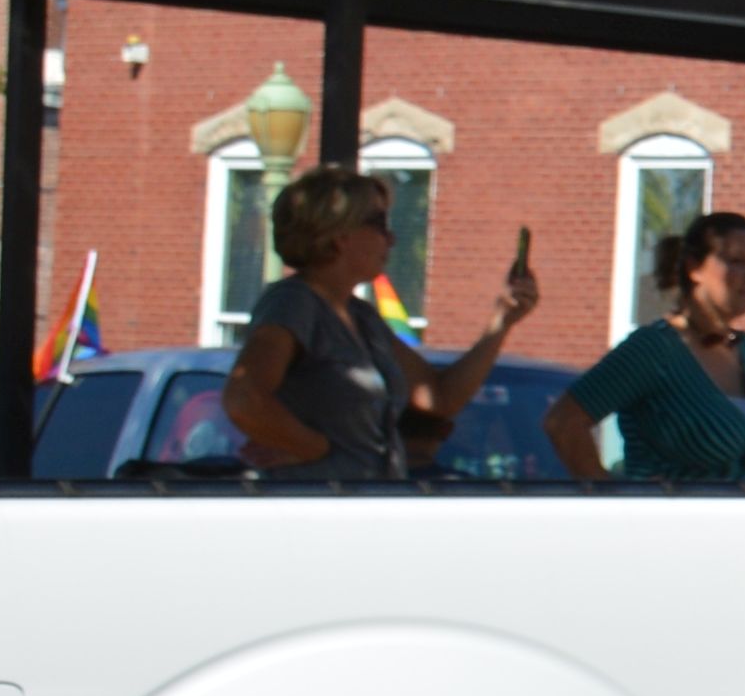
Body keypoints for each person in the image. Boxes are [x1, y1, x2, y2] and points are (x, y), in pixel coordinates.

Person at [220, 166, 527, 478]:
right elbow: (244, 397)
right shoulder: (293, 303)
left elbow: (439, 397)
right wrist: (315, 448)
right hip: (318, 503)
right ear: (339, 235)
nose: (391, 239)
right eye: (379, 224)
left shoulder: (361, 316)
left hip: (371, 501)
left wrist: (502, 321)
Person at [556, 209, 745, 484]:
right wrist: (614, 498)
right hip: (668, 512)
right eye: (736, 261)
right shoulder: (655, 349)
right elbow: (563, 422)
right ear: (694, 268)